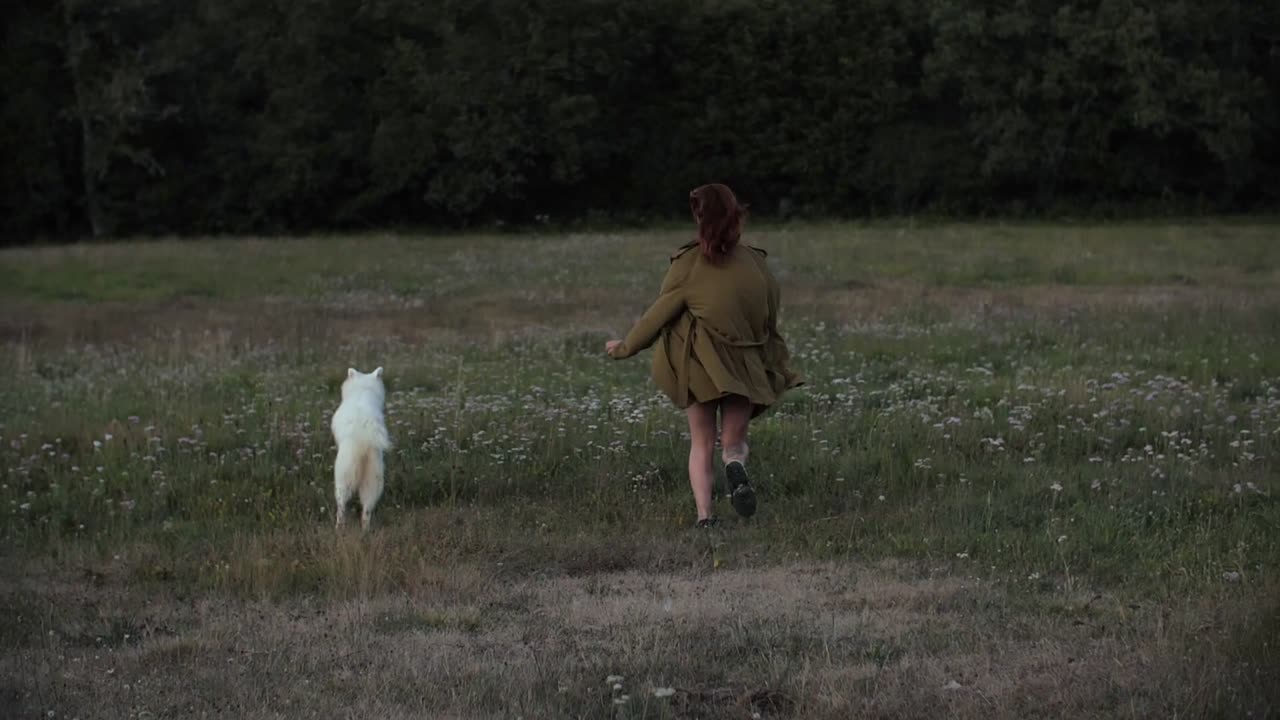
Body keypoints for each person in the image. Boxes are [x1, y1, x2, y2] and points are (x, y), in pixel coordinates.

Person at [605, 183, 802, 527]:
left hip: (699, 367)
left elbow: (658, 315)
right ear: (736, 214)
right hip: (744, 365)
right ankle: (734, 464)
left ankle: (705, 517)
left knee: (701, 441)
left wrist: (624, 347)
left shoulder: (688, 263)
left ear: (699, 218)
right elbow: (769, 315)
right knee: (734, 441)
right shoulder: (756, 262)